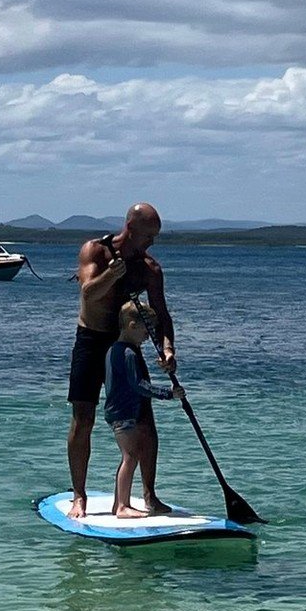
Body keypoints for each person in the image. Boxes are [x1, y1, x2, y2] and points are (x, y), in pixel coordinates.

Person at [66, 201, 177, 518]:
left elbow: (163, 315)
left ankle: (150, 496)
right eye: (148, 236)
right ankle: (79, 496)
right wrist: (111, 276)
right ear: (130, 229)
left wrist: (168, 349)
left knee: (145, 420)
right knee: (83, 418)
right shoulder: (95, 251)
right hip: (90, 338)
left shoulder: (149, 269)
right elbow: (88, 293)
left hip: (124, 345)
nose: (152, 243)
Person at [105, 301, 185, 517]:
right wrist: (168, 393)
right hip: (123, 414)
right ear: (131, 325)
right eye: (146, 329)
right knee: (130, 457)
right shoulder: (129, 354)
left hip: (119, 412)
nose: (148, 336)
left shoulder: (113, 349)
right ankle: (122, 506)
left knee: (130, 456)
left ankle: (119, 504)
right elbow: (139, 385)